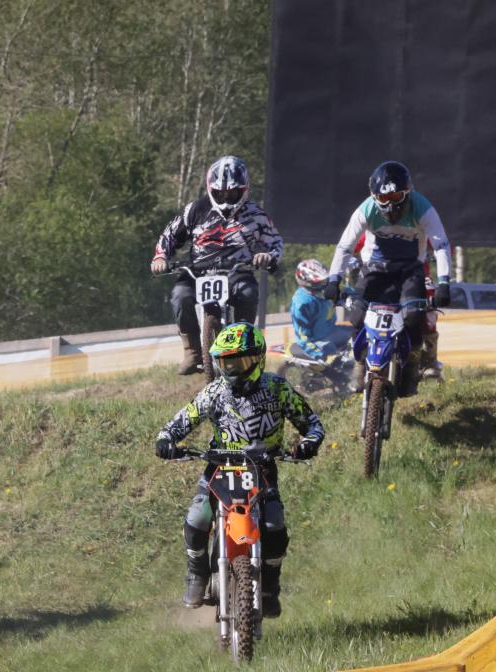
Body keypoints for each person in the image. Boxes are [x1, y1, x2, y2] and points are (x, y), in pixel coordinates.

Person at [154, 322, 325, 618]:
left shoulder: (277, 388)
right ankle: (197, 572)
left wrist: (309, 442)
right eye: (226, 363)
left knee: (275, 526)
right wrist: (166, 440)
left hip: (262, 469)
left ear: (258, 358)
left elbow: (312, 423)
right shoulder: (215, 392)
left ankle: (270, 586)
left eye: (239, 362)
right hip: (219, 467)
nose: (232, 370)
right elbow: (181, 421)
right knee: (197, 519)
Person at [324, 160, 453, 396]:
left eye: (395, 196)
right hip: (375, 269)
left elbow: (441, 245)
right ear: (374, 196)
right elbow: (345, 246)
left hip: (410, 270)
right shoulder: (366, 210)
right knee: (357, 313)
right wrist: (334, 280)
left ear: (407, 192)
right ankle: (360, 364)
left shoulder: (422, 208)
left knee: (413, 315)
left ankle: (412, 364)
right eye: (384, 198)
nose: (390, 204)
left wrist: (444, 282)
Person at [150, 156, 283, 374]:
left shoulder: (256, 215)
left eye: (232, 193)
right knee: (180, 295)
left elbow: (275, 242)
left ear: (244, 189)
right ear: (211, 189)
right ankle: (192, 351)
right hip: (197, 271)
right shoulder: (195, 210)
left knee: (248, 293)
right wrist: (160, 257)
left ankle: (244, 346)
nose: (226, 198)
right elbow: (170, 235)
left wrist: (267, 256)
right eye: (220, 193)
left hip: (238, 269)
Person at [290, 258, 354, 371]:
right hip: (317, 341)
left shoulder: (322, 291)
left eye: (324, 281)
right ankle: (342, 380)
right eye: (319, 282)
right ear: (308, 283)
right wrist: (318, 354)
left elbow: (344, 291)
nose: (324, 284)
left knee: (358, 334)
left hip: (332, 331)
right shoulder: (302, 303)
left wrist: (358, 295)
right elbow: (302, 336)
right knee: (338, 365)